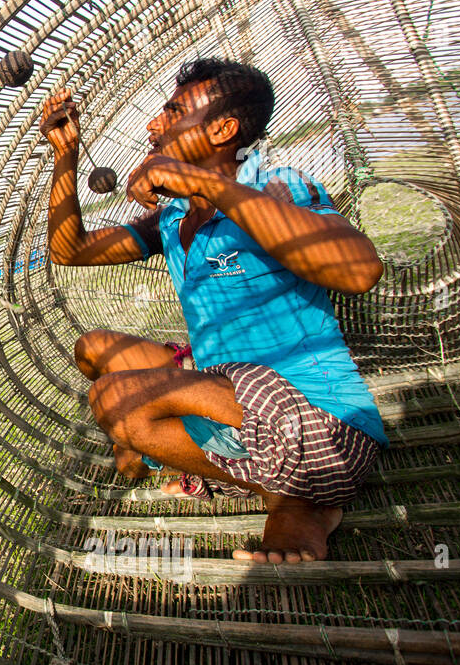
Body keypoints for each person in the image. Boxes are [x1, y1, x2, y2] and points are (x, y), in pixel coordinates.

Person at [42, 58, 387, 564]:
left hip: (320, 425)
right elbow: (69, 250)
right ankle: (278, 490)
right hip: (230, 407)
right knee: (104, 373)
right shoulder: (173, 217)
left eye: (173, 111)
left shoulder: (277, 188)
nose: (154, 126)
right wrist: (65, 157)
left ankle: (296, 500)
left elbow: (359, 272)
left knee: (119, 398)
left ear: (223, 129)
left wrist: (207, 185)